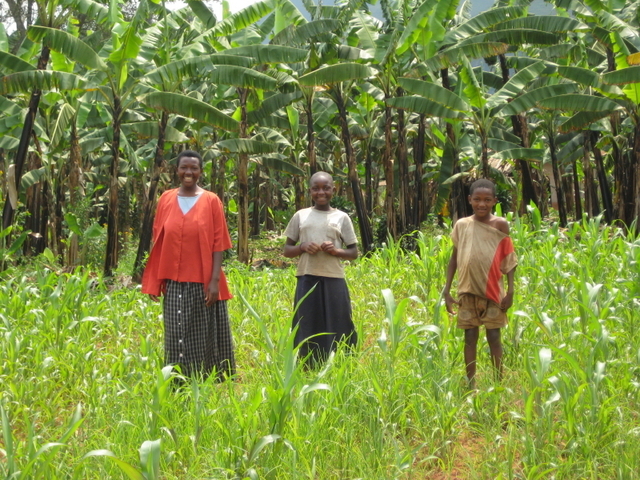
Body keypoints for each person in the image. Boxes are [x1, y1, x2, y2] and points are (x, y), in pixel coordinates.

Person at [142, 150, 235, 381]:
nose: (188, 172)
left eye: (194, 168)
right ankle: (176, 379)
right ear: (177, 170)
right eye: (184, 167)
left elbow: (219, 242)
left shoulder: (211, 200)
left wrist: (213, 281)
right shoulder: (166, 199)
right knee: (175, 331)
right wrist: (156, 280)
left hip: (203, 280)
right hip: (173, 280)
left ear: (200, 171)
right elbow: (159, 240)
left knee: (203, 331)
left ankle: (204, 379)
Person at [443, 179, 517, 388]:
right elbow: (454, 258)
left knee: (494, 336)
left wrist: (510, 291)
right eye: (477, 200)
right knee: (470, 336)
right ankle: (471, 383)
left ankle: (498, 383)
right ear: (470, 200)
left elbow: (509, 259)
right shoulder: (462, 225)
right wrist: (447, 290)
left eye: (487, 200)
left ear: (494, 201)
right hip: (467, 290)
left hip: (493, 291)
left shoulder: (500, 224)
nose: (481, 204)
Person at [283, 171, 358, 364]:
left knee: (338, 319)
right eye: (316, 188)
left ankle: (340, 360)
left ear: (334, 189)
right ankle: (308, 362)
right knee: (307, 321)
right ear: (310, 191)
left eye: (326, 188)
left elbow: (353, 253)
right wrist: (302, 247)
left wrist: (336, 251)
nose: (321, 192)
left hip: (333, 277)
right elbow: (287, 250)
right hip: (307, 276)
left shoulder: (342, 217)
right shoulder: (301, 215)